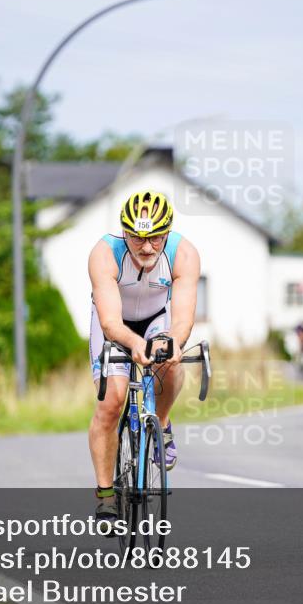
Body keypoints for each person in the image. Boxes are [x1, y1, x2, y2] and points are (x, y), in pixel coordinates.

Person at [87, 190, 200, 526]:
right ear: (125, 233)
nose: (147, 248)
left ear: (168, 233)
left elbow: (181, 319)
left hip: (157, 319)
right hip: (115, 324)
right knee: (112, 401)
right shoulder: (105, 253)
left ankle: (161, 424)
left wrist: (174, 342)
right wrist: (134, 343)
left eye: (156, 238)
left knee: (169, 358)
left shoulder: (184, 254)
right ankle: (106, 495)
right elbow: (109, 322)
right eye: (137, 239)